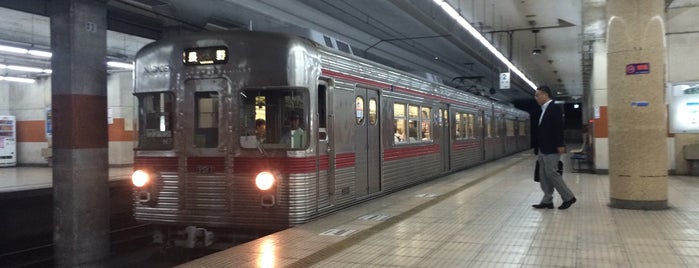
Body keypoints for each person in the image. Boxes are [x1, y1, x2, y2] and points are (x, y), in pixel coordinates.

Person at [532, 85, 577, 210]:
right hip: (543, 147)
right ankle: (547, 200)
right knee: (543, 175)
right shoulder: (543, 110)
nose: (536, 98)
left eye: (537, 95)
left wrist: (560, 145)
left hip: (551, 147)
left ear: (545, 95)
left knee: (552, 173)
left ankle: (568, 197)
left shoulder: (554, 108)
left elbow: (558, 128)